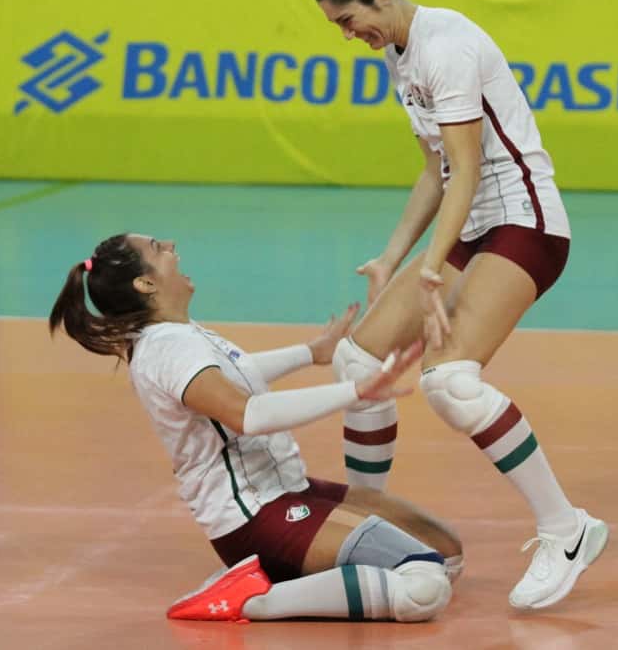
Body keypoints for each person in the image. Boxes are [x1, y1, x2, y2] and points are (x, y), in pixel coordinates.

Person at [311, 0, 607, 611]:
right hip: (471, 226)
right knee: (359, 363)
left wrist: (433, 269)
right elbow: (434, 171)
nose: (348, 35)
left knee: (449, 382)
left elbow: (469, 170)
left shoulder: (447, 46)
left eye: (348, 20)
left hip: (525, 224)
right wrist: (394, 257)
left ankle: (567, 527)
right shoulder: (397, 52)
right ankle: (371, 520)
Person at [48, 232, 463, 622]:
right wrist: (356, 391)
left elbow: (237, 372)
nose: (172, 245)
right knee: (424, 584)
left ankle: (305, 575)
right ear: (145, 284)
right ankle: (253, 598)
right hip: (252, 517)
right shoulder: (168, 349)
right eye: (158, 247)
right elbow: (248, 414)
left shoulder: (177, 335)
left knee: (447, 554)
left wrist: (310, 352)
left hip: (286, 490)